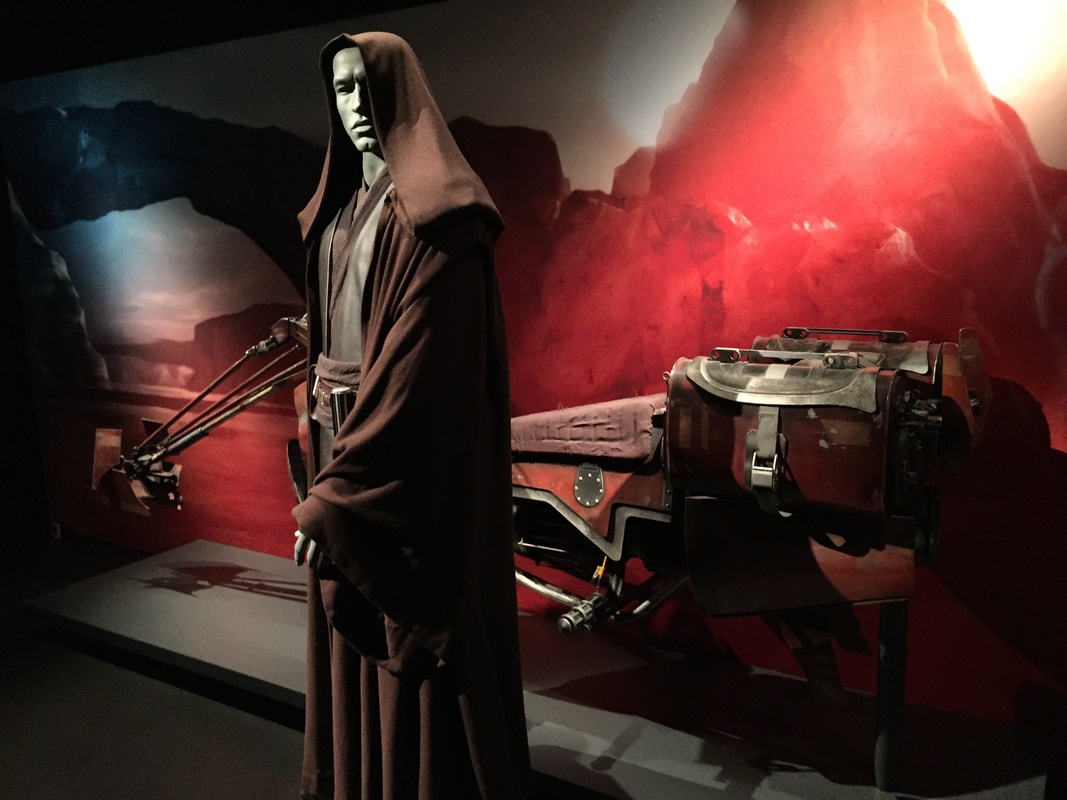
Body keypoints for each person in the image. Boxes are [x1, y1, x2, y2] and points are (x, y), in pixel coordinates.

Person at [290, 32, 532, 799]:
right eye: (342, 89)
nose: (356, 105)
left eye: (369, 85)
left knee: (416, 643)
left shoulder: (441, 222)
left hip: (401, 475)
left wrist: (338, 498)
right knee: (347, 642)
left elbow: (418, 380)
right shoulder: (339, 217)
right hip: (342, 451)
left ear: (401, 90)